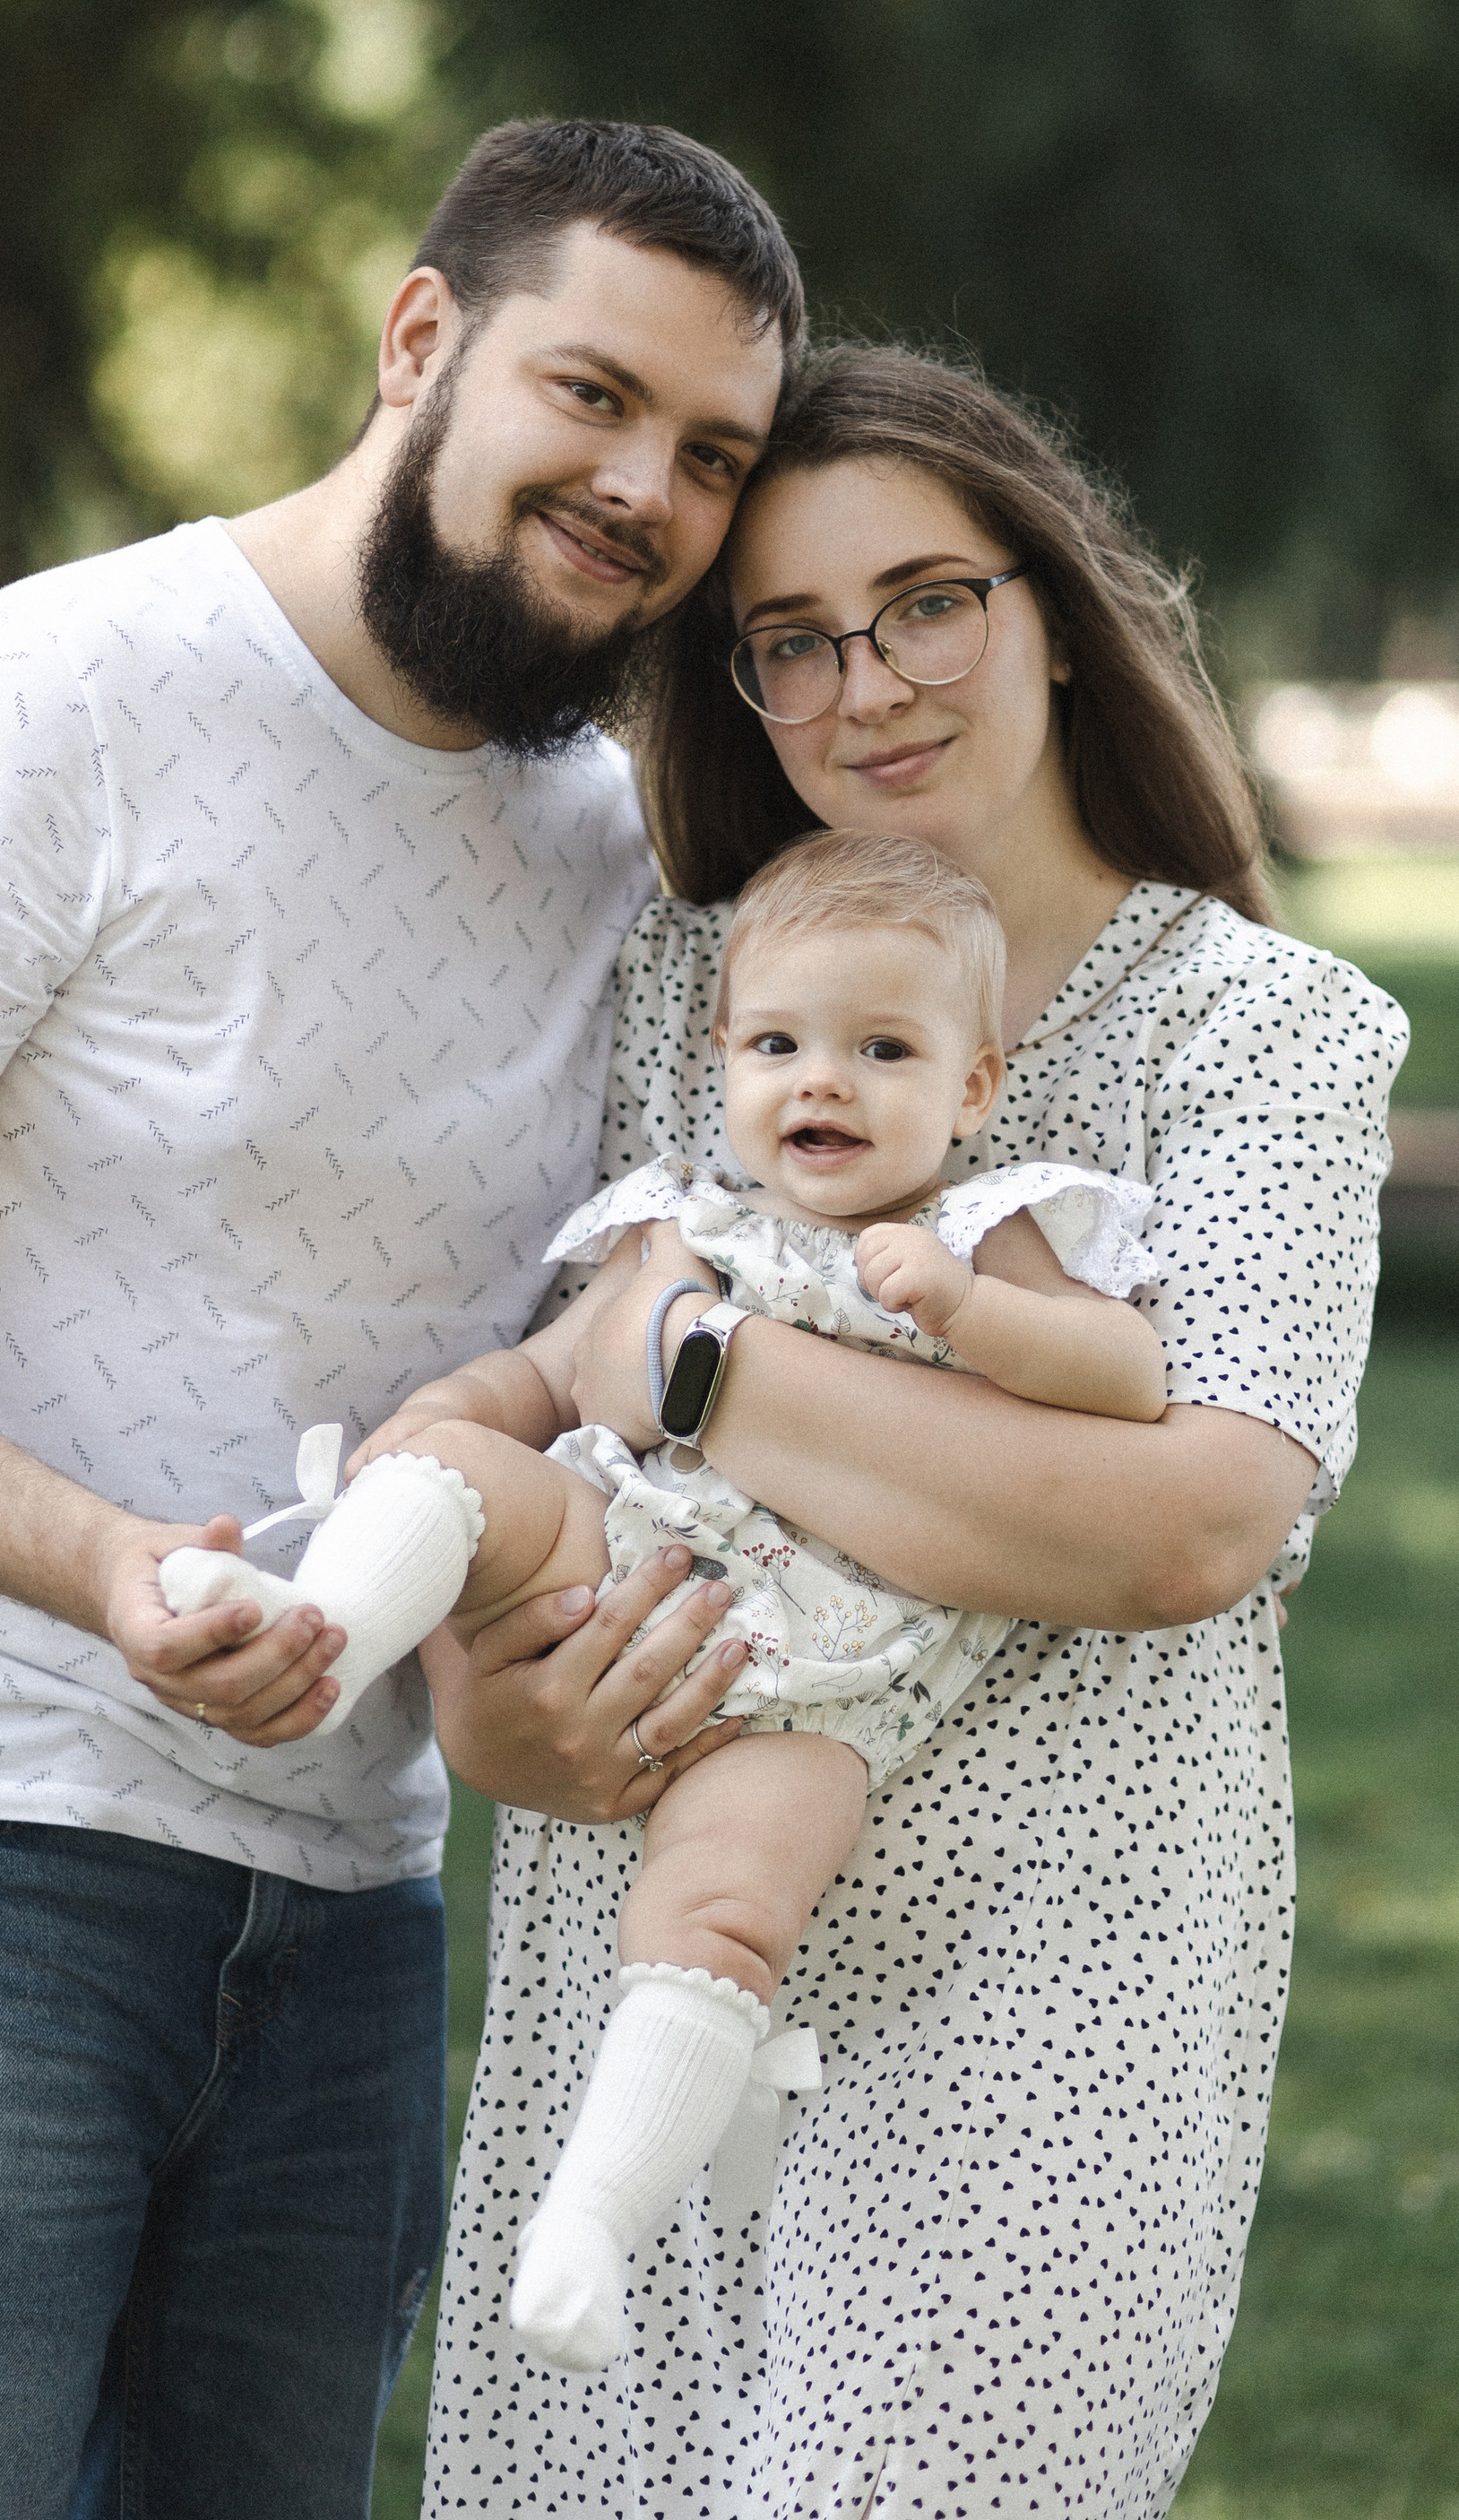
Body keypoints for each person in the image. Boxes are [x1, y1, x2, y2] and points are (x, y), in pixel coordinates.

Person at [0, 116, 803, 2520]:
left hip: (348, 1891)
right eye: (589, 395)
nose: (644, 490)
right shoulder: (48, 700)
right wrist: (102, 1568)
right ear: (419, 340)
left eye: (709, 455)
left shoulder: (614, 841)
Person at [419, 344, 1409, 2520]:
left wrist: (687, 1360)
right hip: (645, 1965)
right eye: (788, 640)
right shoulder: (696, 991)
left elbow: (1191, 1520)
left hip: (1043, 2014)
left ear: (1051, 605)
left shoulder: (1261, 1035)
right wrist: (495, 1701)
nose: (866, 681)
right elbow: (538, 1467)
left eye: (926, 601)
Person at [160, 829, 1167, 2377]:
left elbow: (1133, 1374)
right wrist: (455, 1404)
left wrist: (973, 1313)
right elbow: (557, 1373)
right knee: (462, 1473)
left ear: (973, 1087)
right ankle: (320, 1625)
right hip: (629, 1540)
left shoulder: (982, 1226)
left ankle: (594, 2216)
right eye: (780, 1044)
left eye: (883, 1050)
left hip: (832, 1662)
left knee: (724, 1914)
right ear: (721, 1059)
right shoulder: (680, 1223)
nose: (821, 1082)